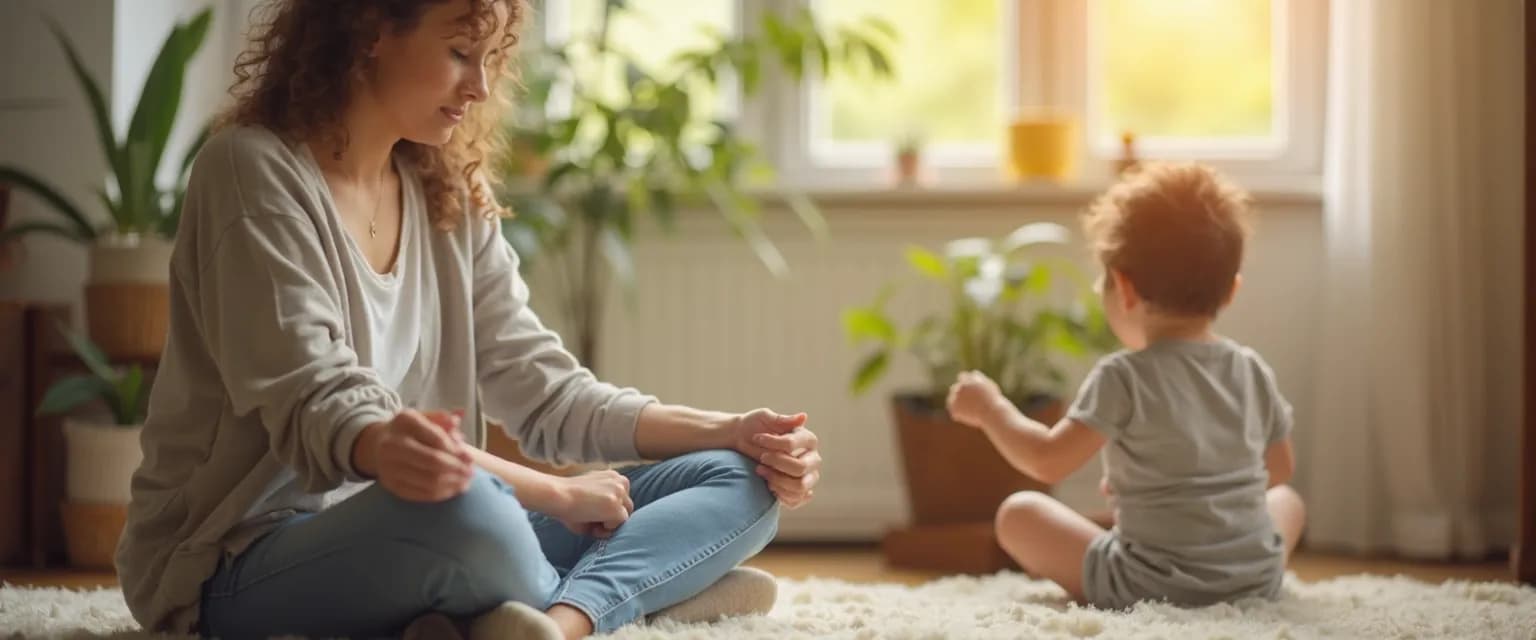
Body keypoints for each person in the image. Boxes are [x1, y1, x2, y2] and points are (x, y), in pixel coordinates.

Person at [113, 1, 823, 638]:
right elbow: (323, 407)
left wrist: (733, 430)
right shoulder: (249, 170)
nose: (481, 87)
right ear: (371, 29)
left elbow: (546, 392)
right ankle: (641, 593)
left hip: (429, 524)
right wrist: (554, 493)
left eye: (490, 60)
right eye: (459, 52)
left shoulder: (443, 188)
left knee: (742, 480)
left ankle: (562, 620)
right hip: (238, 562)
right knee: (474, 515)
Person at [945, 162, 1307, 609]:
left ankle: (1139, 559)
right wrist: (1199, 492)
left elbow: (1046, 461)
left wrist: (990, 408)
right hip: (1254, 576)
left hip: (1148, 584)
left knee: (1018, 515)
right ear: (1231, 290)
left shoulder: (1124, 376)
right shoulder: (1251, 367)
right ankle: (1239, 571)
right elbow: (1281, 469)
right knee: (1287, 501)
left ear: (1124, 288)